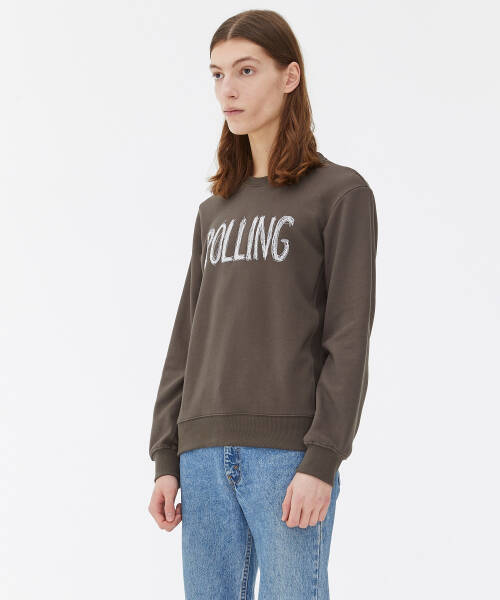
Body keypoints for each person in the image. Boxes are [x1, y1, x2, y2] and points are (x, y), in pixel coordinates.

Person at [148, 9, 378, 599]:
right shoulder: (213, 211)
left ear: (290, 76)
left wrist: (322, 458)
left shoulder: (339, 194)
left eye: (246, 70)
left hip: (287, 457)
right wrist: (166, 456)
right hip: (201, 454)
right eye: (217, 74)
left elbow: (348, 339)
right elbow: (186, 339)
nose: (228, 89)